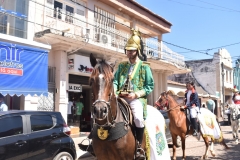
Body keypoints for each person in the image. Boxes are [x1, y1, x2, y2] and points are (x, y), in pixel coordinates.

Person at [113, 29, 154, 160]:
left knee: (137, 118)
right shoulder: (121, 66)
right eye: (127, 50)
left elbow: (150, 86)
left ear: (137, 51)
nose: (129, 52)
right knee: (103, 111)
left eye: (131, 50)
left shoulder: (144, 67)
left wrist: (136, 95)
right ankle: (94, 142)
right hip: (120, 97)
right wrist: (114, 92)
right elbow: (114, 81)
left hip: (135, 99)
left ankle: (139, 147)